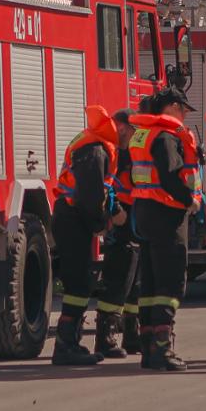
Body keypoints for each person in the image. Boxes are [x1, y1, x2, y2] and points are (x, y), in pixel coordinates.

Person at [127, 87, 200, 372]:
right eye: (182, 109)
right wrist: (189, 200)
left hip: (144, 211)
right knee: (170, 280)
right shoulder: (166, 137)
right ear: (170, 107)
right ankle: (162, 347)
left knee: (151, 280)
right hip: (166, 212)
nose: (183, 115)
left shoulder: (142, 133)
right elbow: (170, 175)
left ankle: (148, 347)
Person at [50, 105, 122, 366]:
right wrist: (100, 224)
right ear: (119, 128)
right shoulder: (95, 150)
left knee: (78, 282)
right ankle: (65, 346)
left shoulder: (94, 144)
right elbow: (90, 197)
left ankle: (70, 343)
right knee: (79, 283)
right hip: (73, 219)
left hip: (70, 217)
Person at [94, 107, 141, 357]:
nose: (136, 136)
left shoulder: (128, 152)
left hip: (134, 220)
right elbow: (106, 187)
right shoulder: (112, 152)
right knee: (118, 280)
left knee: (135, 282)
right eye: (134, 131)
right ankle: (106, 337)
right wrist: (115, 212)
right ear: (123, 127)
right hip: (121, 221)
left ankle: (132, 335)